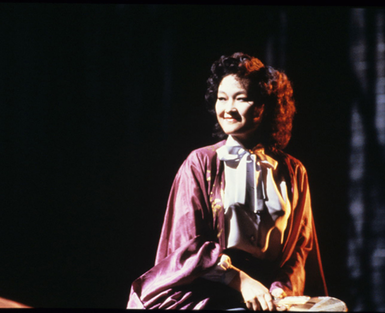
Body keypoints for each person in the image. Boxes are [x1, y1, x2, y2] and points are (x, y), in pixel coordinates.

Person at [126, 52, 327, 310]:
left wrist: (278, 292)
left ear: (264, 106)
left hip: (270, 296)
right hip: (211, 291)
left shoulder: (293, 171)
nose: (228, 109)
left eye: (241, 99)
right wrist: (239, 280)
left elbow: (300, 248)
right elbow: (188, 244)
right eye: (222, 98)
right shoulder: (201, 162)